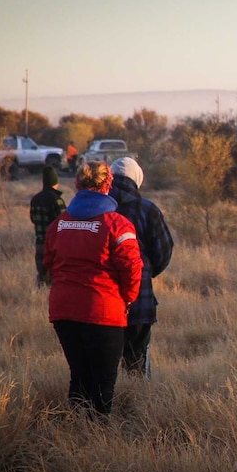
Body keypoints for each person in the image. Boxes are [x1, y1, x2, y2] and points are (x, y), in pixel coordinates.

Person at [44, 161, 143, 418]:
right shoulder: (118, 224)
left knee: (79, 375)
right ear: (108, 185)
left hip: (63, 312)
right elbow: (133, 268)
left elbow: (48, 264)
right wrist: (128, 300)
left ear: (77, 184)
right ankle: (94, 440)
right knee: (102, 384)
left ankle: (76, 433)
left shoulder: (58, 224)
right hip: (104, 313)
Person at [109, 157, 174, 379]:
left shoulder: (100, 209)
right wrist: (145, 272)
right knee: (136, 359)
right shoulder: (148, 209)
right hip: (140, 298)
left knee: (104, 362)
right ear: (137, 178)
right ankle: (135, 403)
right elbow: (164, 251)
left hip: (102, 297)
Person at [29, 165, 67, 287]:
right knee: (53, 275)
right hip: (54, 244)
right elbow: (64, 223)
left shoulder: (35, 199)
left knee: (41, 274)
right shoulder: (57, 200)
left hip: (39, 242)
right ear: (54, 182)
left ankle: (38, 294)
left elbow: (33, 219)